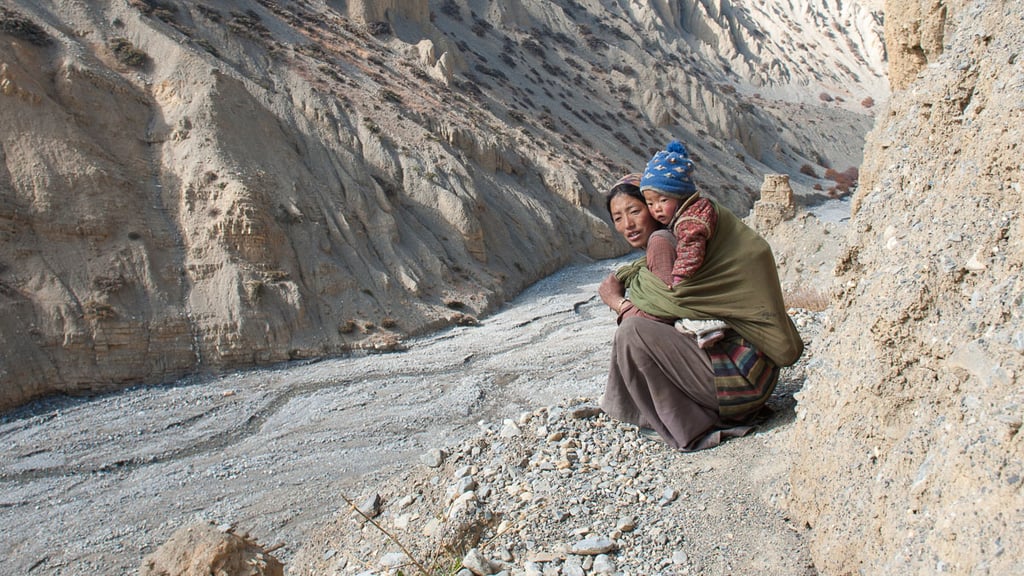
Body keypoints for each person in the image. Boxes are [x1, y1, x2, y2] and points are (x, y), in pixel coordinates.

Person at [598, 159, 804, 451]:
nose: (627, 224)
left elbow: (665, 311)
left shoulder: (661, 241)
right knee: (637, 328)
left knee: (632, 331)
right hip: (754, 374)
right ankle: (689, 414)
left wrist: (617, 302)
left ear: (656, 208)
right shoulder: (675, 240)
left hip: (741, 380)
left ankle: (693, 424)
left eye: (634, 210)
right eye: (617, 218)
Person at [639, 139, 728, 348]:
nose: (656, 209)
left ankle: (705, 327)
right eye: (650, 203)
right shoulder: (690, 212)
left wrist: (678, 282)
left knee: (690, 305)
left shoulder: (690, 220)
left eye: (663, 200)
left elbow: (691, 251)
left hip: (702, 277)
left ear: (680, 196)